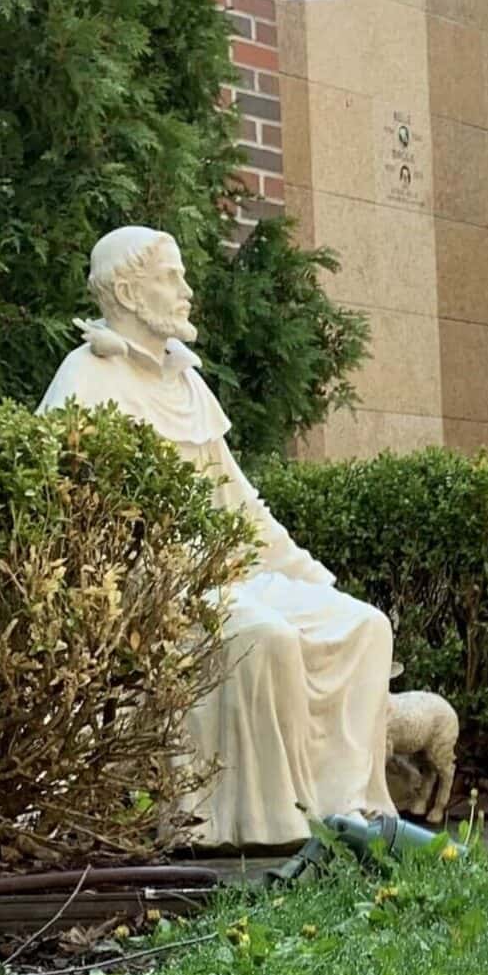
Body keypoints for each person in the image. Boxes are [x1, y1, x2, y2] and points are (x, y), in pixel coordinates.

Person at [40, 228, 396, 849]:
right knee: (265, 638)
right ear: (126, 289)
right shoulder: (87, 379)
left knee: (365, 625)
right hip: (151, 588)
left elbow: (241, 506)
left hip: (227, 573)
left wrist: (310, 575)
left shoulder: (187, 384)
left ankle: (347, 813)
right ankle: (266, 825)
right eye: (170, 278)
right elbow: (69, 518)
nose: (186, 291)